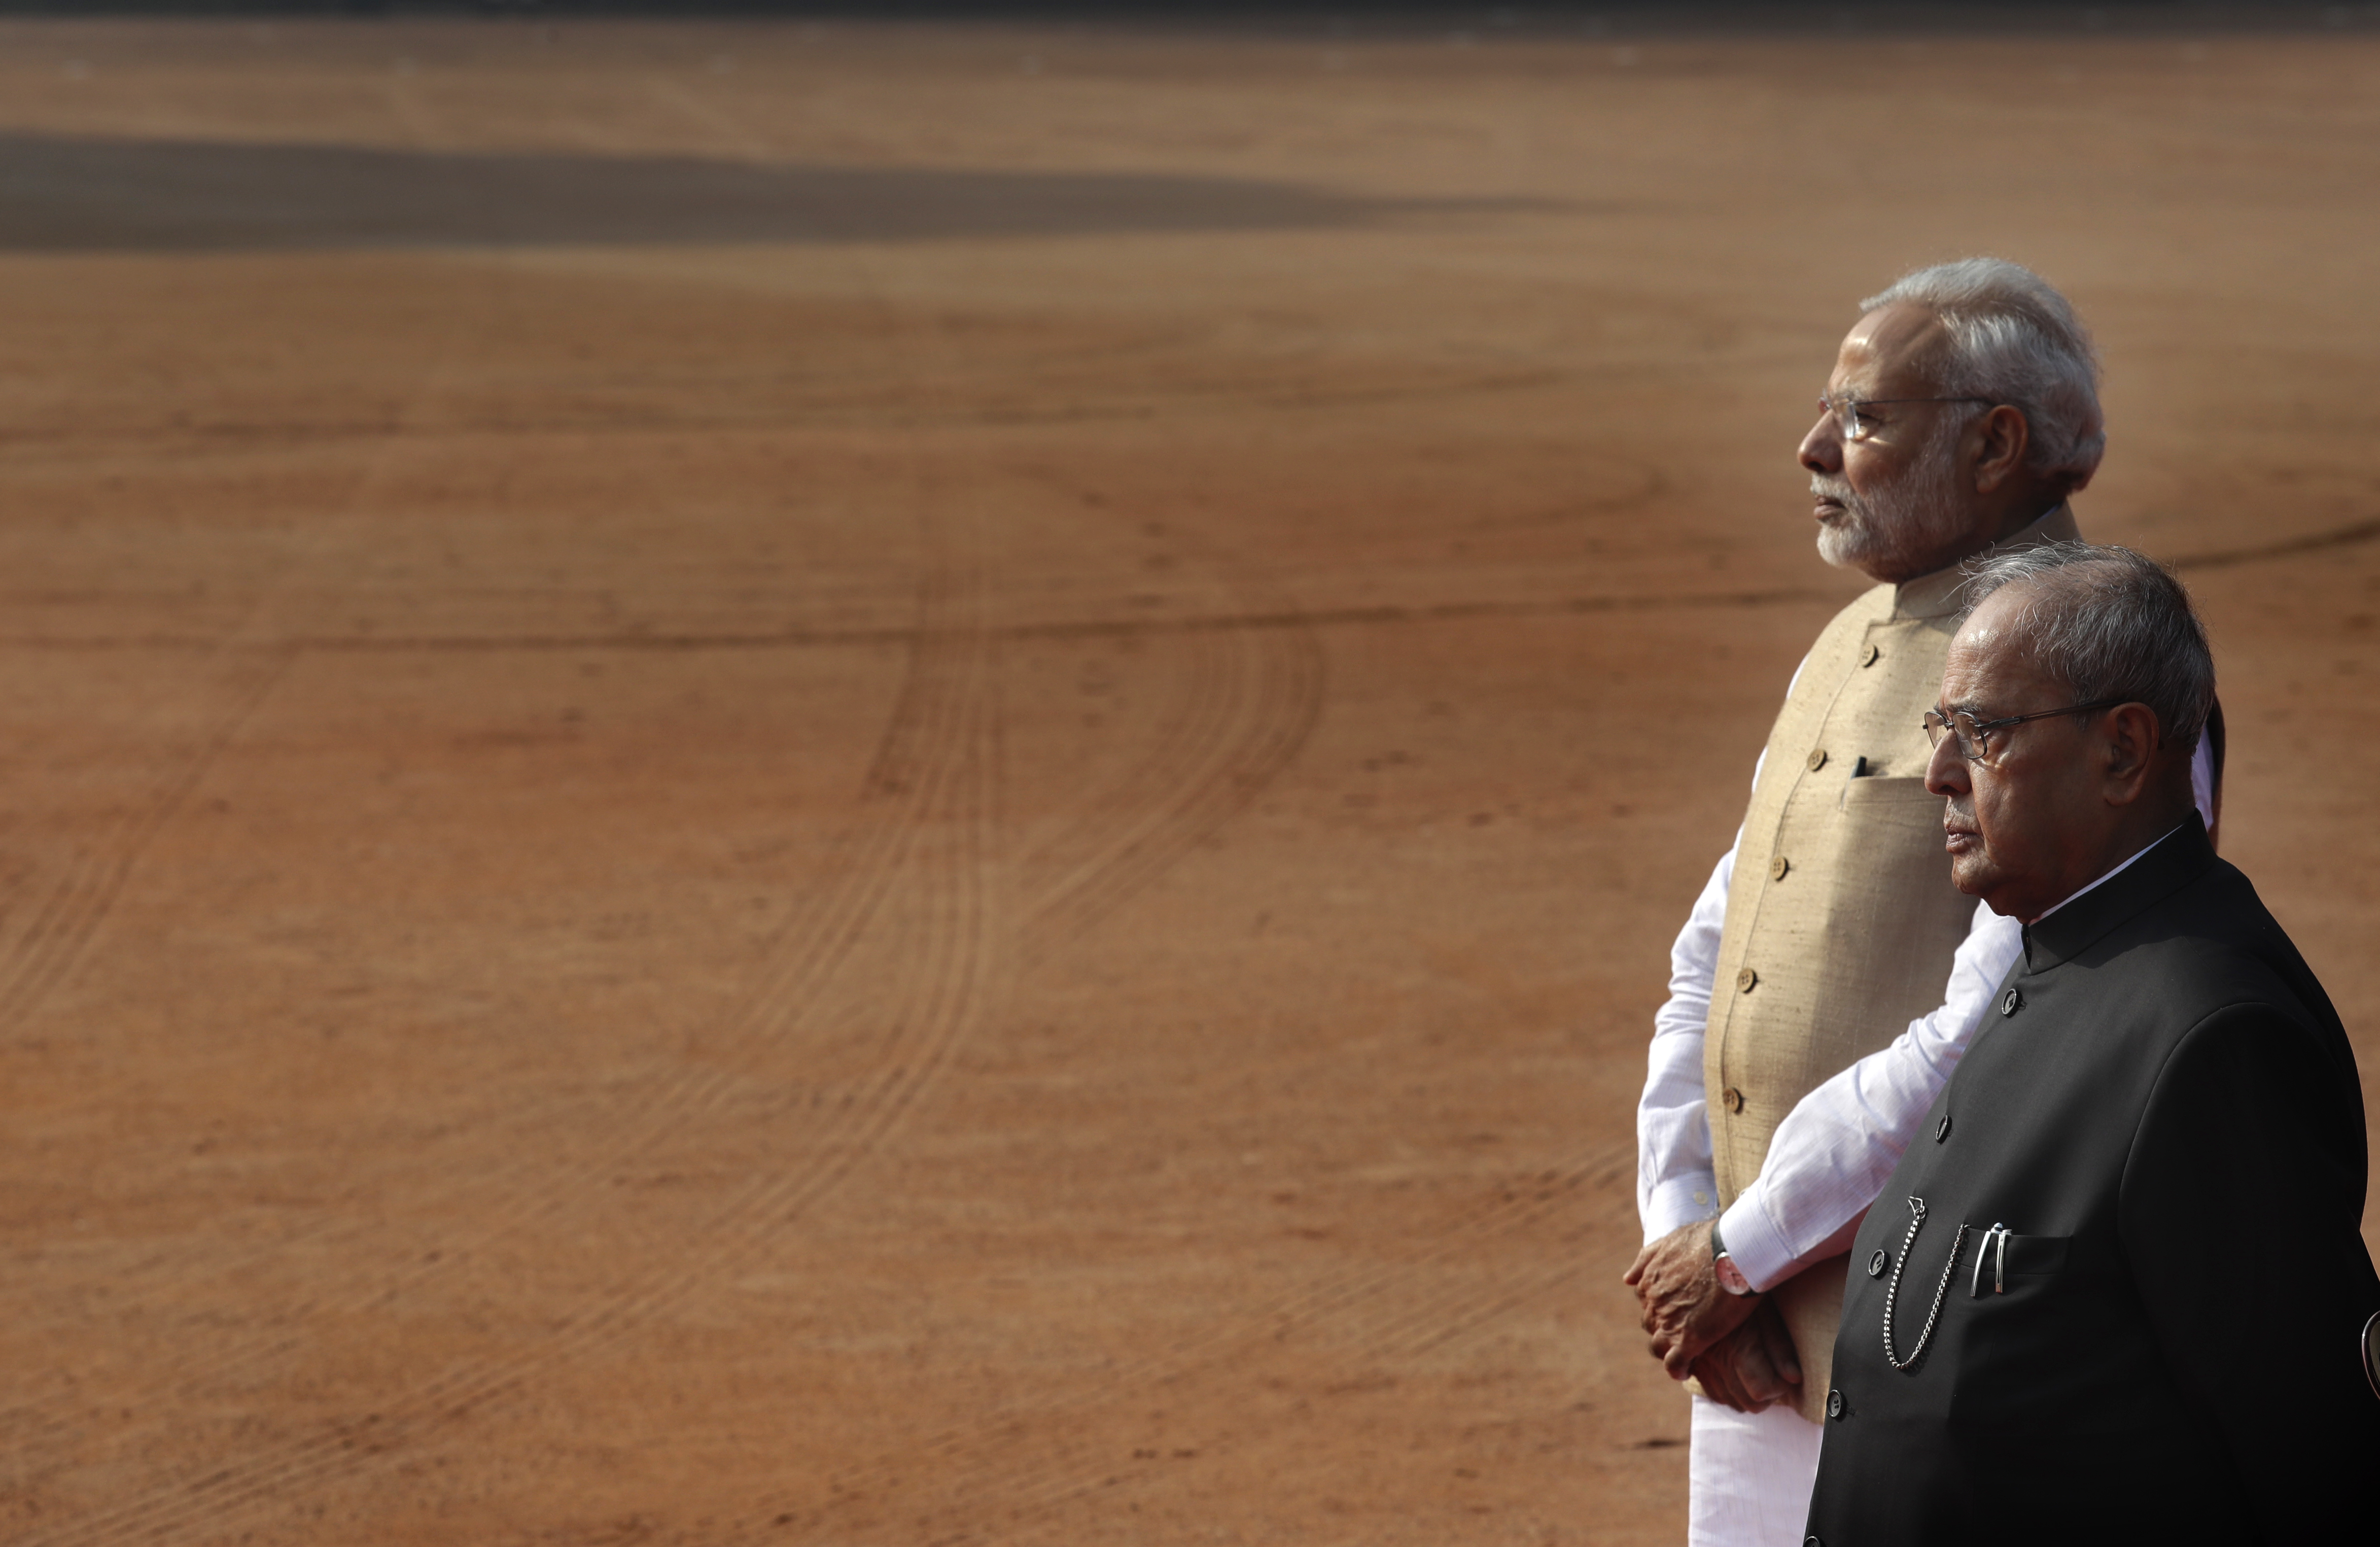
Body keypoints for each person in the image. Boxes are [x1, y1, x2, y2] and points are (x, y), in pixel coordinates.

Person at [1623, 258, 2221, 1546]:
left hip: (1942, 1340)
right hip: (1750, 1334)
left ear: (1997, 441)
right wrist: (1685, 1236)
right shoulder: (1850, 640)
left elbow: (2007, 1029)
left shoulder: (2091, 674)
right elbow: (1711, 961)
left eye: (1862, 417)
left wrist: (1738, 1250)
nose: (1813, 446)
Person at [1803, 541, 2380, 1543]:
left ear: (2122, 750)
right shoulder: (2064, 956)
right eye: (1943, 728)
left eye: (1982, 733)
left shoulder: (2211, 1039)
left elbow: (2320, 1468)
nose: (1938, 772)